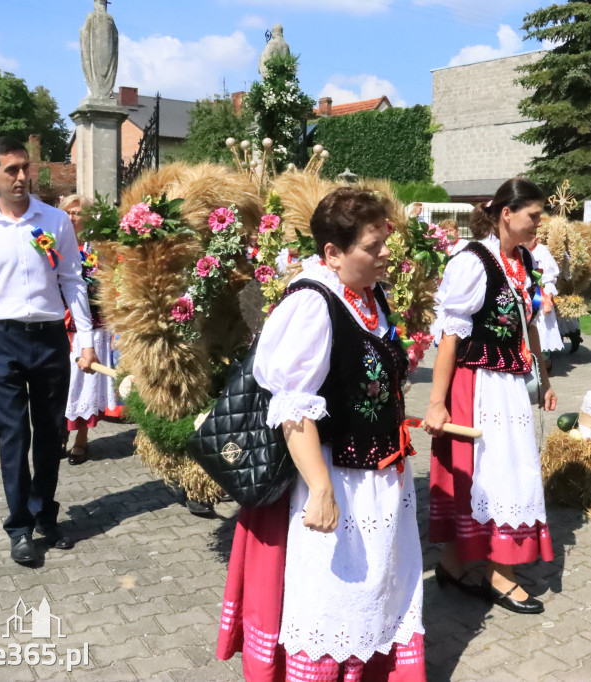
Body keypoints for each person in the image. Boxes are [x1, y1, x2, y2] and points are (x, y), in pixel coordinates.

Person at [217, 187, 425, 680]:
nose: (383, 256)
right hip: (338, 478)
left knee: (374, 597)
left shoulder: (367, 295)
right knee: (334, 599)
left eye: (383, 244)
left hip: (378, 476)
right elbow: (294, 409)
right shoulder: (313, 303)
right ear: (332, 252)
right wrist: (322, 491)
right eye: (371, 248)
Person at [0, 137, 97, 566]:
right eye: (10, 170)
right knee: (14, 434)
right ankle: (19, 527)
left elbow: (72, 279)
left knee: (51, 433)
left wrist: (84, 338)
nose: (21, 177)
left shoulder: (54, 221)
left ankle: (45, 514)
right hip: (1, 339)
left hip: (49, 337)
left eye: (24, 168)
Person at [425, 178, 557, 615]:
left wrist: (546, 374)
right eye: (533, 215)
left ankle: (454, 563)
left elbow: (530, 323)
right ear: (507, 213)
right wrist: (436, 401)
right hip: (478, 383)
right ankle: (502, 573)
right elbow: (450, 335)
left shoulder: (525, 260)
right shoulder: (473, 262)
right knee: (496, 474)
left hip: (511, 384)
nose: (539, 223)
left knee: (508, 470)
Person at [59, 194, 115, 466]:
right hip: (56, 321)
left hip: (89, 322)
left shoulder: (97, 248)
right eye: (68, 212)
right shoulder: (50, 243)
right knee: (57, 382)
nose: (73, 217)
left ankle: (80, 440)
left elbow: (109, 283)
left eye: (78, 212)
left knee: (82, 379)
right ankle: (59, 434)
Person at [527, 235, 565, 362]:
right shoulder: (519, 250)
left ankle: (544, 361)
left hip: (540, 294)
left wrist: (548, 298)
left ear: (534, 238)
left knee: (542, 326)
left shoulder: (542, 251)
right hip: (526, 294)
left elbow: (550, 278)